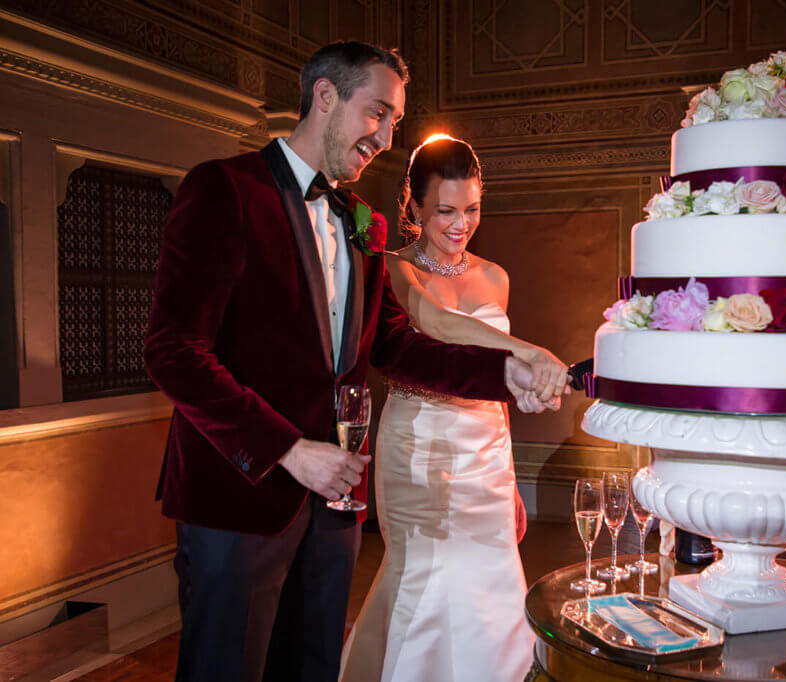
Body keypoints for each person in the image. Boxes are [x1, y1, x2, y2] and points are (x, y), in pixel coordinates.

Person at [143, 42, 559, 682]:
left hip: (334, 509)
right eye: (378, 113)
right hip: (240, 500)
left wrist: (505, 374)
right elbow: (174, 352)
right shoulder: (225, 189)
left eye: (394, 121)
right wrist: (288, 449)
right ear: (326, 96)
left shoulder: (363, 223)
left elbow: (398, 347)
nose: (386, 136)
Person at [338, 135, 568, 682]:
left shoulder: (496, 277)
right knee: (423, 574)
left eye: (472, 209)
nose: (460, 224)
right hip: (417, 443)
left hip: (487, 450)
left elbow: (490, 380)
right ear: (414, 206)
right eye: (444, 210)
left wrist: (509, 478)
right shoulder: (395, 269)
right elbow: (437, 326)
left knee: (493, 582)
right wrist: (529, 349)